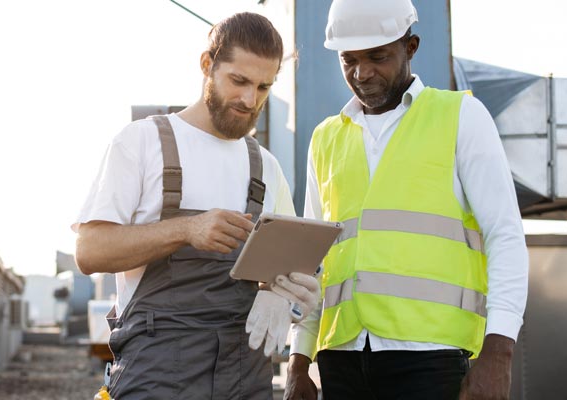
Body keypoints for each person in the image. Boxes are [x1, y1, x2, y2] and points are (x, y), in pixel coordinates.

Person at [284, 0, 530, 399]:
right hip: (340, 358)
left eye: (378, 57)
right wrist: (299, 359)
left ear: (411, 47)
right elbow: (312, 262)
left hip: (430, 358)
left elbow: (505, 236)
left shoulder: (461, 117)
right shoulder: (325, 138)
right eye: (349, 60)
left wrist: (498, 353)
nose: (362, 73)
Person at [73, 12, 320, 400]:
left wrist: (284, 293)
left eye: (263, 87)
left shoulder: (266, 167)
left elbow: (289, 266)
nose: (249, 99)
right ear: (207, 64)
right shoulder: (142, 143)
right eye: (238, 81)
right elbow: (89, 252)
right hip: (156, 370)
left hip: (246, 375)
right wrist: (187, 230)